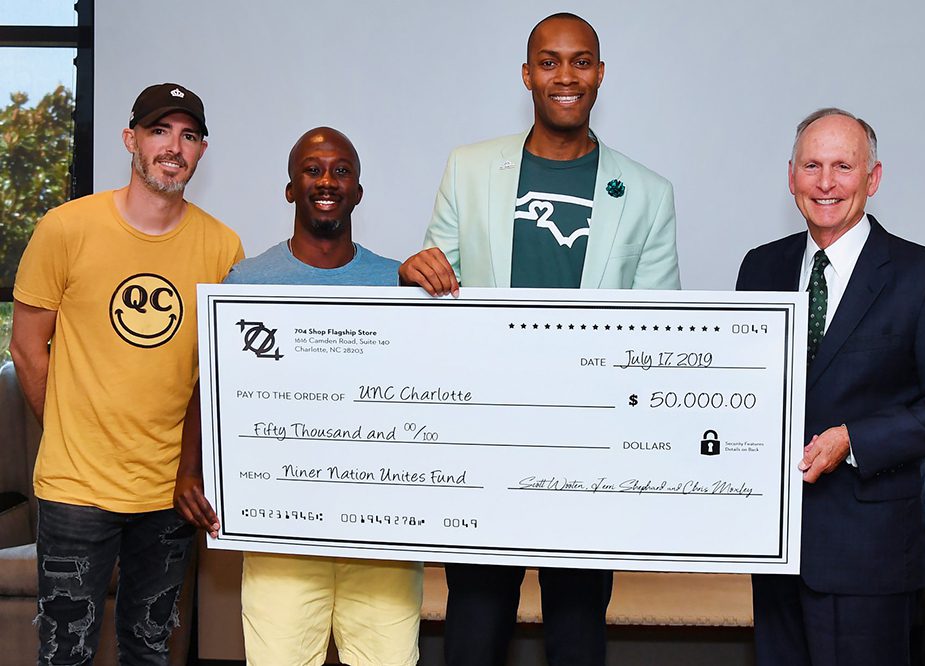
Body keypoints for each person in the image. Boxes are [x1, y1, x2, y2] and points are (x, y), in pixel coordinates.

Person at [399, 13, 680, 666]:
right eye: (549, 62)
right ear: (527, 75)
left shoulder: (646, 193)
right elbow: (434, 299)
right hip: (485, 448)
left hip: (591, 456)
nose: (565, 76)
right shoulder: (469, 169)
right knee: (473, 632)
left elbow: (660, 336)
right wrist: (412, 274)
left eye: (581, 61)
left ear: (601, 75)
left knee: (579, 637)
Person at [736, 107, 925, 665]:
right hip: (775, 549)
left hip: (870, 554)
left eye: (843, 167)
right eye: (812, 166)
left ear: (872, 179)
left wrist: (854, 438)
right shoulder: (760, 268)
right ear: (791, 176)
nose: (826, 183)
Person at [10, 83, 243, 664]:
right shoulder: (65, 228)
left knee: (150, 649)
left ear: (201, 152)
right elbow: (27, 346)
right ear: (129, 139)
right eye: (159, 131)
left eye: (188, 136)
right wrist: (69, 430)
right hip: (76, 490)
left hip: (170, 493)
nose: (174, 146)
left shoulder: (222, 246)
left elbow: (215, 372)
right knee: (66, 651)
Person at [175, 127, 422, 666]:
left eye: (340, 170)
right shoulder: (245, 283)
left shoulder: (398, 283)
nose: (326, 181)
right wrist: (188, 471)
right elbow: (211, 385)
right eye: (312, 169)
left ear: (358, 190)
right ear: (291, 188)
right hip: (283, 537)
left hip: (380, 539)